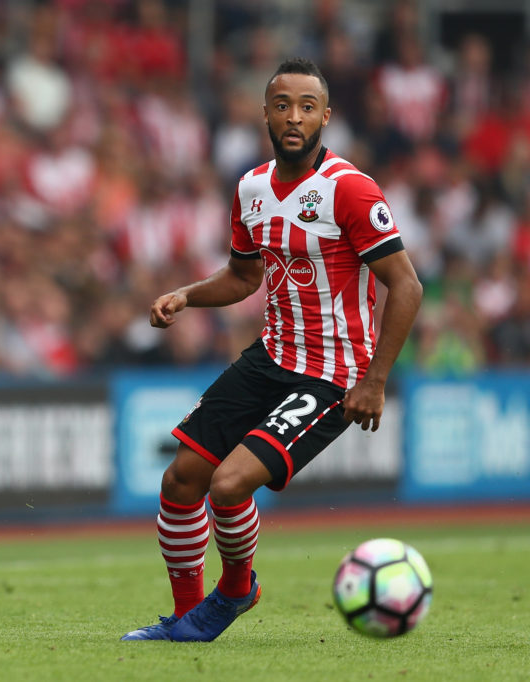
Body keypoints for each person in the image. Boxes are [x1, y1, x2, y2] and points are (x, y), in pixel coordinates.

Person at [121, 57, 423, 642]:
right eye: (283, 104)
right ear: (265, 113)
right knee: (181, 479)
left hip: (333, 373)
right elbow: (243, 277)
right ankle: (186, 619)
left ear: (325, 117)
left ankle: (235, 591)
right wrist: (185, 295)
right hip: (271, 356)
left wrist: (376, 379)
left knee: (229, 484)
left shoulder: (350, 192)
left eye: (307, 107)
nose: (294, 116)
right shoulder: (251, 187)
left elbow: (406, 284)